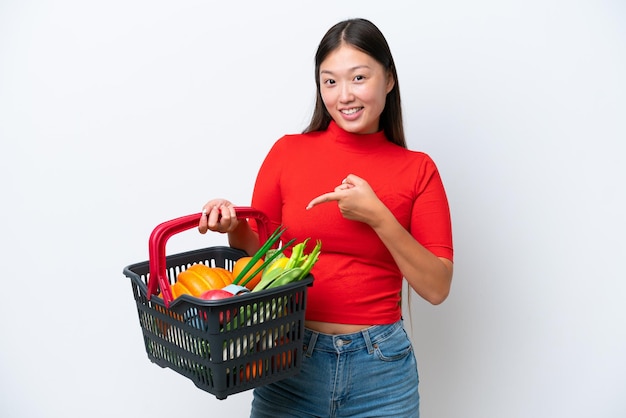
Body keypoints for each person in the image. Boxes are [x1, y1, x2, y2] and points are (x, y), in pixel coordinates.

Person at [198, 18, 453, 418]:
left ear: (388, 79)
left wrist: (379, 217)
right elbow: (262, 256)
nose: (344, 95)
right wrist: (234, 226)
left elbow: (437, 287)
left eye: (358, 77)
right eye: (330, 81)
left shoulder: (418, 170)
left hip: (381, 372)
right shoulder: (287, 153)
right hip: (287, 357)